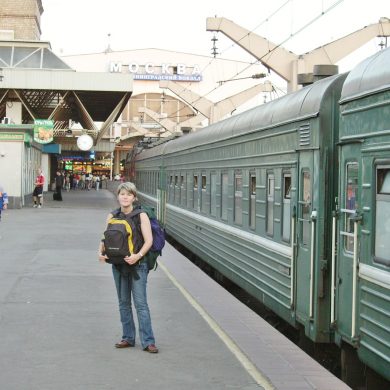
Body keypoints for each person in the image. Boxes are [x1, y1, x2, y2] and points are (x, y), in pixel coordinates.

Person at [98, 182, 158, 353]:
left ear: (134, 197)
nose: (125, 197)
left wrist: (137, 256)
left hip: (138, 265)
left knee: (141, 304)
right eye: (122, 194)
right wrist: (100, 253)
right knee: (123, 303)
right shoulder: (112, 215)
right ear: (118, 196)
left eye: (128, 194)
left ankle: (148, 341)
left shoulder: (141, 215)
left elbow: (149, 241)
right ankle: (128, 338)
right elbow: (104, 238)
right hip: (118, 265)